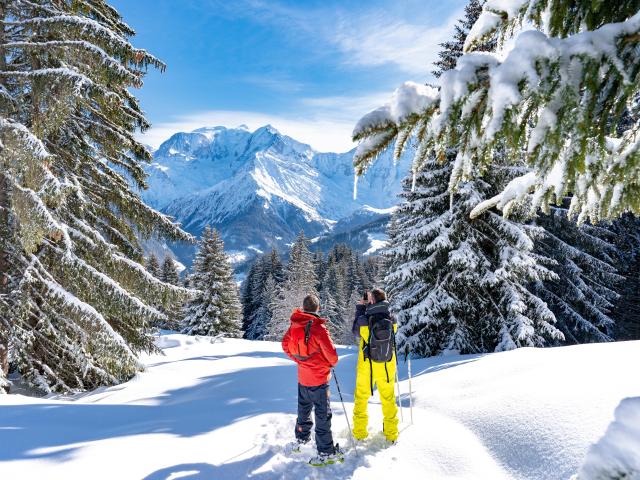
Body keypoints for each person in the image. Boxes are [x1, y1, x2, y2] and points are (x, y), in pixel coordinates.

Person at [282, 294, 343, 466]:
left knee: (303, 410)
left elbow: (285, 345)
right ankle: (325, 451)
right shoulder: (318, 328)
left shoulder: (295, 325)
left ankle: (301, 440)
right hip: (319, 379)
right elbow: (332, 355)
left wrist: (300, 361)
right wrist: (327, 364)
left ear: (303, 307)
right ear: (317, 308)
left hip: (303, 378)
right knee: (322, 415)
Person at [351, 287, 399, 444]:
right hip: (387, 365)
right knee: (388, 399)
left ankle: (360, 433)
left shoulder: (365, 319)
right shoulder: (392, 318)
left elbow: (355, 332)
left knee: (361, 399)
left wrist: (360, 308)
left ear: (371, 301)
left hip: (368, 367)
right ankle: (391, 434)